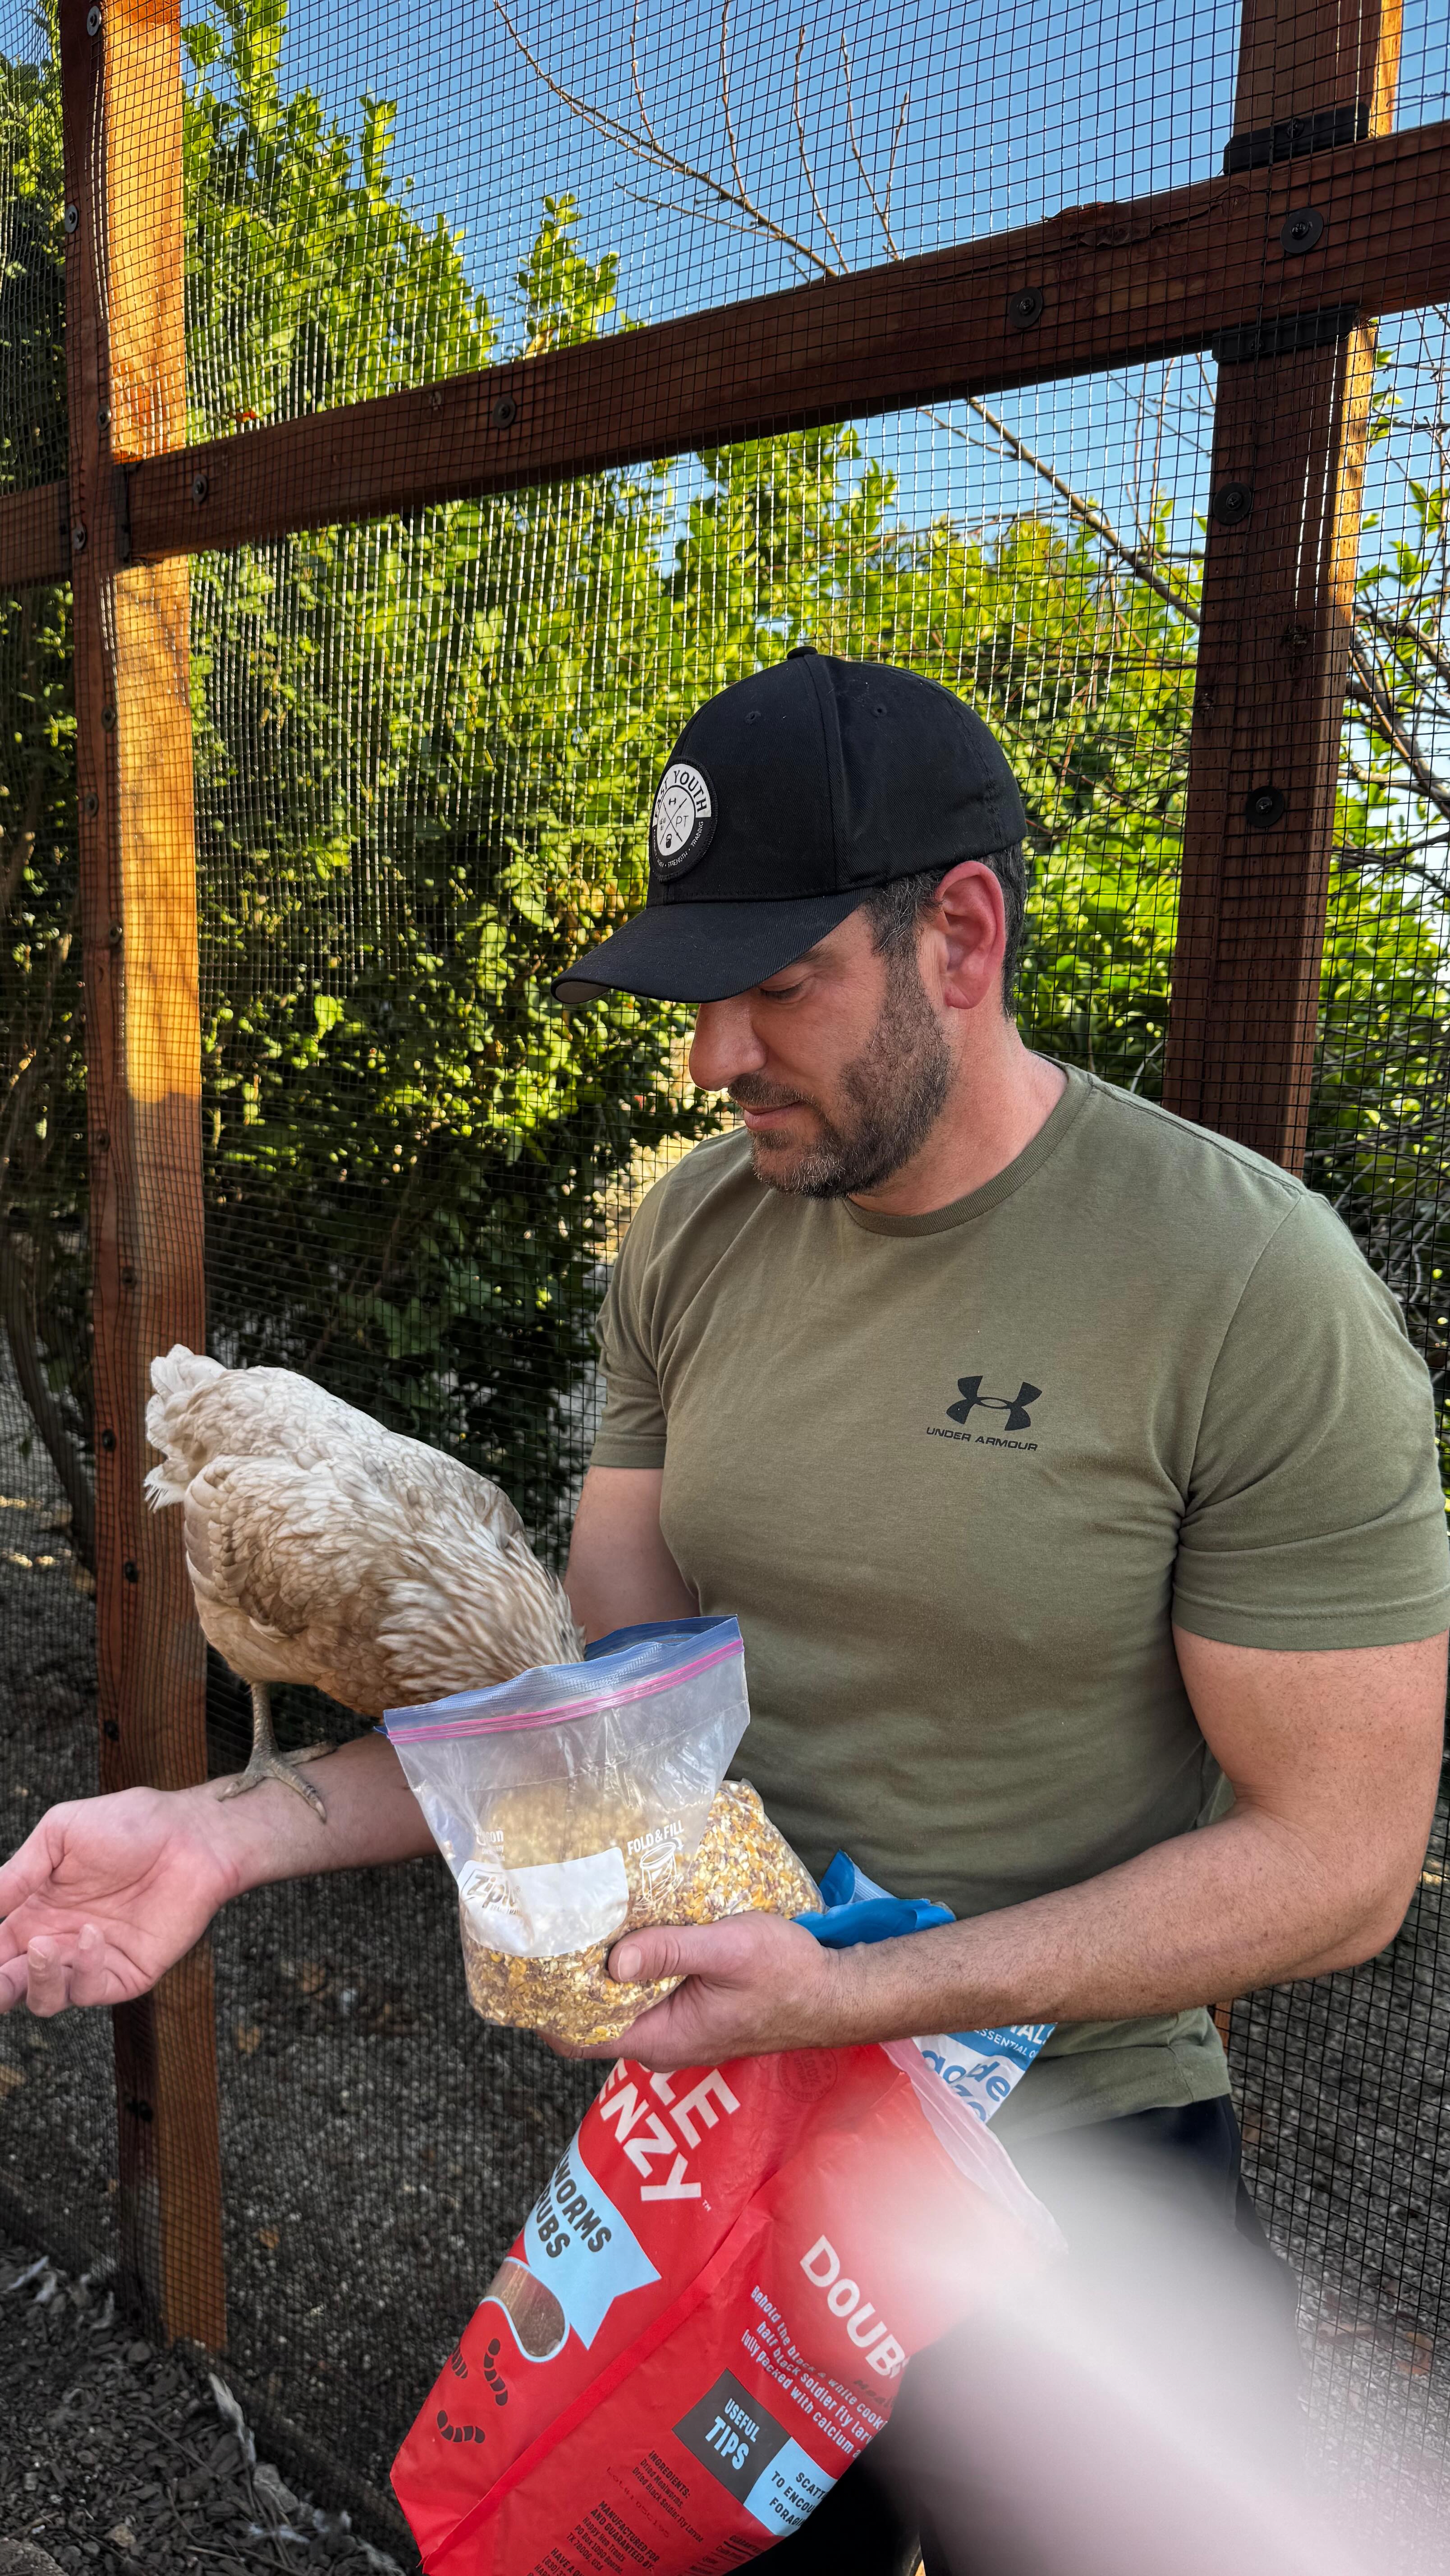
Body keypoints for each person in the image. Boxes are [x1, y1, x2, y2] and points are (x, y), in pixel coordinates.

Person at [1, 649, 1446, 2574]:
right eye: (701, 993)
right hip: (725, 2130)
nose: (711, 1056)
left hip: (1071, 2161)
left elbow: (1341, 1867)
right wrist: (223, 1832)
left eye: (778, 986)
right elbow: (606, 1710)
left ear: (962, 936)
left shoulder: (1245, 1287)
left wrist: (855, 1992)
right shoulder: (695, 1230)